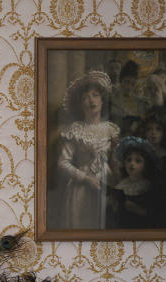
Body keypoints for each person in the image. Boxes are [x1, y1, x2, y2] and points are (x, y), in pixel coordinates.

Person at [55, 70, 120, 230]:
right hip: (81, 188)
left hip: (107, 184)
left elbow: (117, 162)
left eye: (95, 95)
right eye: (85, 97)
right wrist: (86, 178)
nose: (91, 100)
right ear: (80, 104)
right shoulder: (75, 130)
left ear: (102, 100)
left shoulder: (111, 130)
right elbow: (62, 163)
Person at [107, 136, 161, 228]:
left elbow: (153, 214)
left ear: (145, 165)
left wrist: (136, 209)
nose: (132, 164)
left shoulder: (147, 186)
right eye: (129, 160)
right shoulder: (122, 184)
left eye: (138, 161)